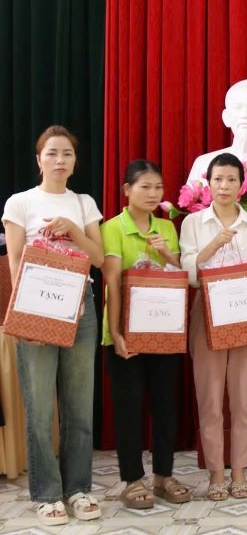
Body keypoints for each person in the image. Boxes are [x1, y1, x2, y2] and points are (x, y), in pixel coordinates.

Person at [2, 125, 104, 525]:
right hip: (35, 307)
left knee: (80, 407)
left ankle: (78, 488)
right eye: (52, 153)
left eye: (67, 154)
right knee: (40, 407)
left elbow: (97, 257)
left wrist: (73, 229)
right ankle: (47, 493)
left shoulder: (84, 202)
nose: (60, 160)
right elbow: (14, 264)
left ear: (75, 162)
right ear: (38, 159)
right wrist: (21, 315)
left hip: (82, 308)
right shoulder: (20, 203)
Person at [180, 152, 247, 501]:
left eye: (231, 179)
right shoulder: (193, 224)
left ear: (242, 185)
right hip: (206, 316)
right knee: (209, 399)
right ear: (208, 183)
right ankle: (215, 474)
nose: (224, 186)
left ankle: (239, 473)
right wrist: (212, 245)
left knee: (243, 399)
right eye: (218, 179)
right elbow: (188, 273)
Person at [101, 159, 192, 508]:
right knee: (129, 406)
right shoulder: (112, 228)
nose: (153, 193)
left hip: (165, 331)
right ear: (126, 190)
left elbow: (179, 275)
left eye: (158, 187)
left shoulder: (168, 228)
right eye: (145, 187)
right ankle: (132, 480)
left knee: (166, 405)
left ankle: (163, 476)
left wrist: (167, 253)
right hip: (125, 334)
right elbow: (111, 282)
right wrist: (117, 333)